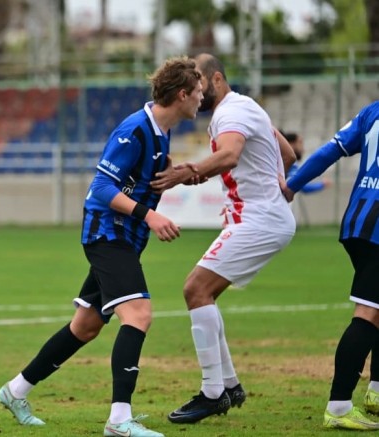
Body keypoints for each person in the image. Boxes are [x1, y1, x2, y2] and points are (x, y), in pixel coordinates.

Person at [0, 56, 203, 437]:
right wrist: (150, 215)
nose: (202, 99)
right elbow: (102, 188)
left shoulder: (162, 131)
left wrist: (173, 175)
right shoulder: (135, 129)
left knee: (86, 325)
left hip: (125, 237)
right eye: (199, 92)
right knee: (138, 315)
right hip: (108, 233)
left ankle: (15, 390)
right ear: (182, 94)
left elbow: (141, 177)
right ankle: (119, 420)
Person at [149, 53, 296, 424]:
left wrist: (187, 172)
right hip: (260, 217)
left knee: (195, 289)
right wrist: (277, 185)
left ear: (216, 79)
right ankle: (229, 386)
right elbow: (288, 153)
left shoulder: (231, 112)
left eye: (198, 79)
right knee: (204, 294)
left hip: (258, 220)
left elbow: (230, 155)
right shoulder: (244, 107)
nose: (194, 87)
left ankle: (213, 393)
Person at [282, 100, 379, 430]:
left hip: (357, 223)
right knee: (369, 312)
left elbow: (331, 150)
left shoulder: (372, 111)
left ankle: (376, 392)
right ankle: (339, 407)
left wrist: (293, 184)